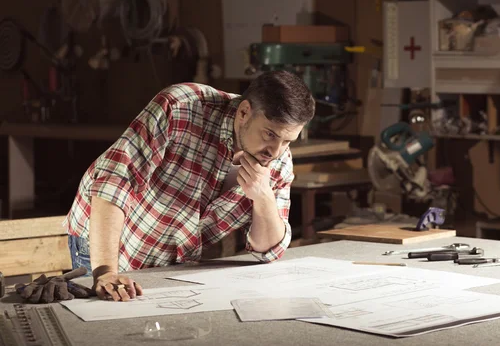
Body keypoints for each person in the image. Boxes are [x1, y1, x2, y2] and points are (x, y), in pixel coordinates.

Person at [64, 70, 315, 302]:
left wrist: (264, 198)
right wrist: (106, 272)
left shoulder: (280, 161)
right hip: (106, 248)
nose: (275, 151)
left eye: (287, 141)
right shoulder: (181, 106)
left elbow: (268, 252)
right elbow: (113, 181)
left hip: (169, 259)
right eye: (269, 135)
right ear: (244, 112)